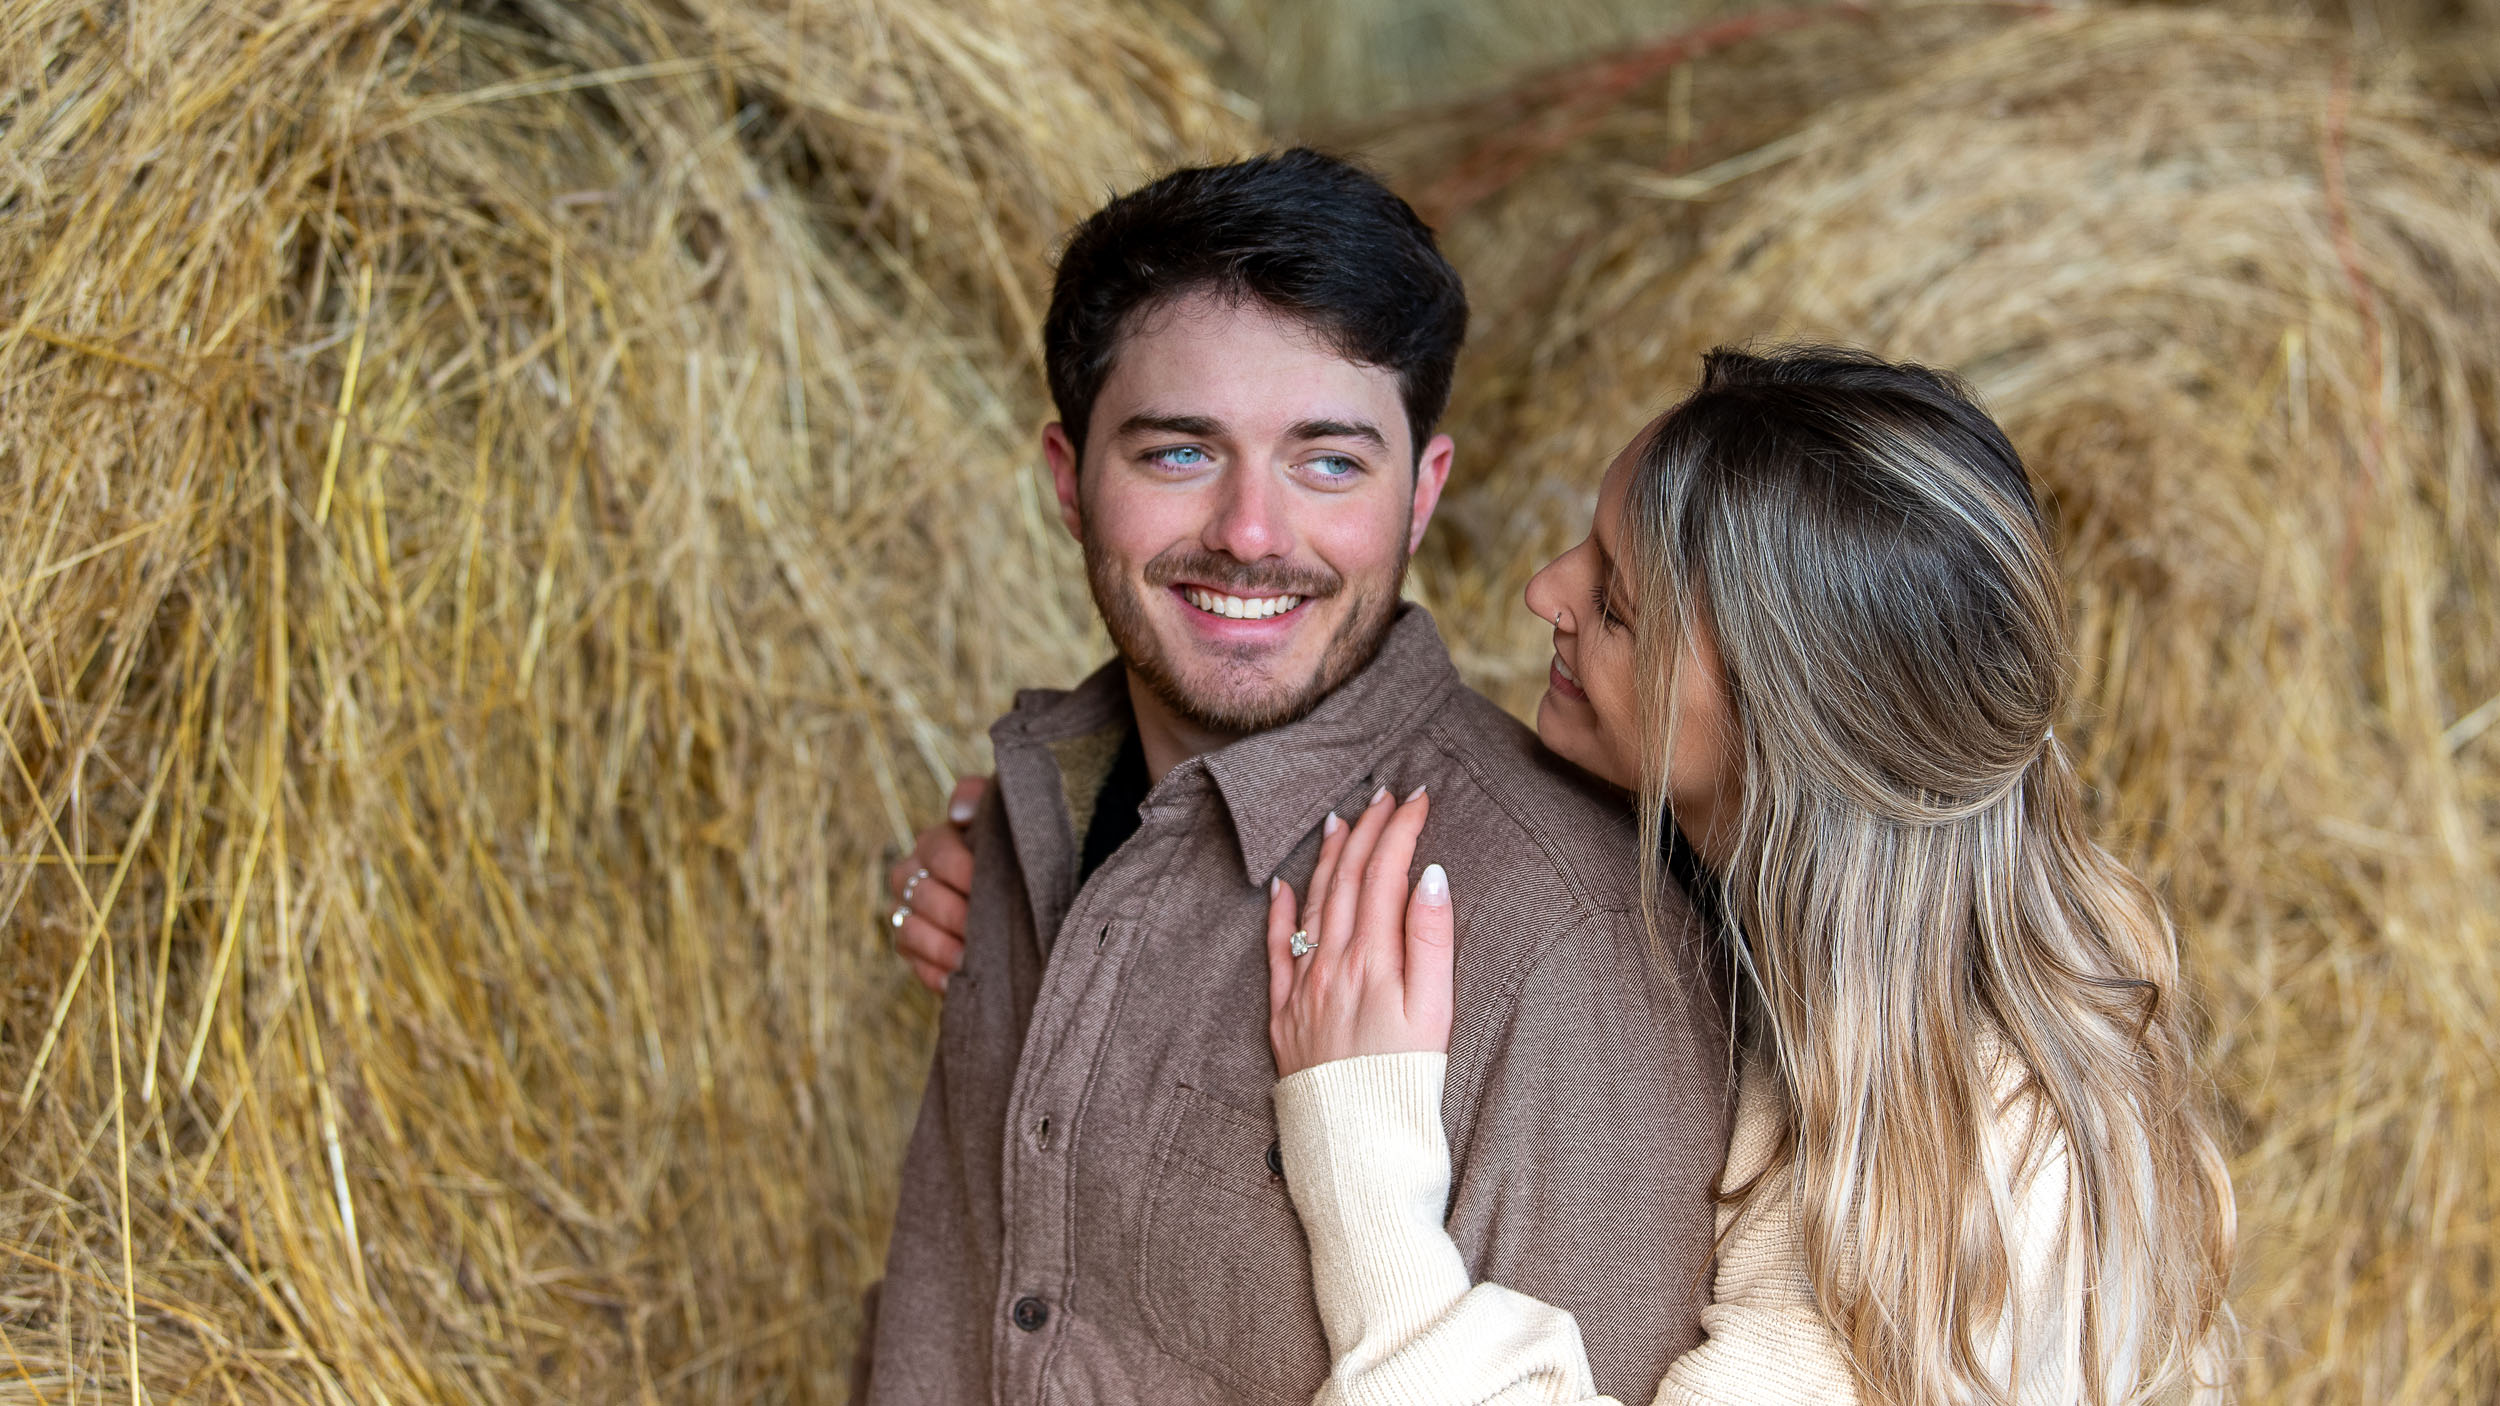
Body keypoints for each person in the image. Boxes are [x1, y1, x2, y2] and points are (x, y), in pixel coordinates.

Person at [897, 346, 2239, 1404]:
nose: (1544, 589)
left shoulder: (1976, 1165)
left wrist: (1360, 1151)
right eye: (1584, 545)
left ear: (1782, 729)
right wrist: (1082, 895)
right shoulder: (1727, 898)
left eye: (1617, 605)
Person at [862, 149, 1732, 1406]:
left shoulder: (1565, 932)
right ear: (1068, 479)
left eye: (1329, 462)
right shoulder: (1019, 816)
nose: (1251, 532)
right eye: (1176, 454)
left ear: (1421, 494)